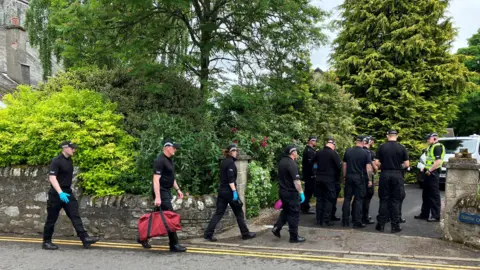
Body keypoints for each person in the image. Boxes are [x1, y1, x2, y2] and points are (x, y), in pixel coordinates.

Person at [42, 141, 99, 250]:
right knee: (51, 218)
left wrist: (65, 192)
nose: (74, 150)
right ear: (65, 148)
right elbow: (52, 178)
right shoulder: (56, 161)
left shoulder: (69, 161)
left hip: (67, 192)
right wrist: (60, 193)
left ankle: (85, 238)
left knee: (74, 214)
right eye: (72, 148)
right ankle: (46, 242)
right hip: (56, 194)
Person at [139, 139, 187, 252]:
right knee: (169, 216)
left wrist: (178, 190)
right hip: (161, 191)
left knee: (157, 217)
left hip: (166, 191)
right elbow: (156, 179)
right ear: (167, 147)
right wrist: (158, 197)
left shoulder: (169, 160)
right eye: (174, 147)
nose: (175, 149)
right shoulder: (159, 160)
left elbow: (171, 177)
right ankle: (174, 244)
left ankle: (142, 238)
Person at [204, 144, 256, 241]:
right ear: (232, 152)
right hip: (230, 192)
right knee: (239, 212)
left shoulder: (224, 162)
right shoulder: (231, 164)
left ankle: (208, 234)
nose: (237, 153)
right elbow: (231, 180)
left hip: (222, 192)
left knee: (218, 213)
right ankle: (245, 234)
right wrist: (235, 193)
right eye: (235, 151)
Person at [374, 130, 409, 233]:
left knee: (384, 199)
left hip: (385, 174)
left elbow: (376, 162)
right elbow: (406, 164)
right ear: (397, 136)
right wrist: (398, 167)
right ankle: (395, 226)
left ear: (387, 136)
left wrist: (383, 166)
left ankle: (380, 225)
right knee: (396, 200)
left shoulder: (382, 147)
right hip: (397, 174)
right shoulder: (401, 147)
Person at [272, 145, 306, 243]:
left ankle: (277, 227)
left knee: (286, 211)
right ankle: (294, 237)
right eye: (296, 151)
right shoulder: (292, 164)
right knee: (294, 214)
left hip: (283, 192)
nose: (297, 153)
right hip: (291, 193)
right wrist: (301, 193)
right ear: (292, 153)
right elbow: (296, 182)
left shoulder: (282, 162)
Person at [342, 136, 373, 228]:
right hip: (360, 178)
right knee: (359, 200)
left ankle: (345, 221)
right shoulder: (365, 153)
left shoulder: (348, 151)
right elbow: (368, 167)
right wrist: (370, 179)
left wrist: (344, 176)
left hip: (349, 176)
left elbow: (344, 165)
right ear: (363, 142)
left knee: (347, 199)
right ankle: (357, 222)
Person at [414, 133, 445, 222]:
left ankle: (435, 216)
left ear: (434, 138)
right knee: (426, 194)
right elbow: (427, 159)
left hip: (433, 173)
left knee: (434, 195)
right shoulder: (431, 146)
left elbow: (438, 161)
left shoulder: (438, 147)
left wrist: (430, 170)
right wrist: (423, 167)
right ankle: (424, 214)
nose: (427, 140)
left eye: (428, 138)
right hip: (428, 172)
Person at [313, 137, 342, 226]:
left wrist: (316, 172)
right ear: (333, 145)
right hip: (329, 180)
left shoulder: (318, 152)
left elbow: (313, 164)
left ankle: (318, 219)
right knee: (329, 199)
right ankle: (325, 220)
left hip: (318, 179)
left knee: (320, 199)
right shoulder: (333, 154)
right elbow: (339, 167)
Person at [301, 136, 317, 214]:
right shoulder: (309, 151)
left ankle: (304, 205)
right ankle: (304, 206)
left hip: (309, 174)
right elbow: (312, 164)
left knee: (308, 191)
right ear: (310, 141)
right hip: (309, 175)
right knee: (308, 191)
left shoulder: (311, 150)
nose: (315, 142)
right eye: (314, 140)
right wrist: (314, 173)